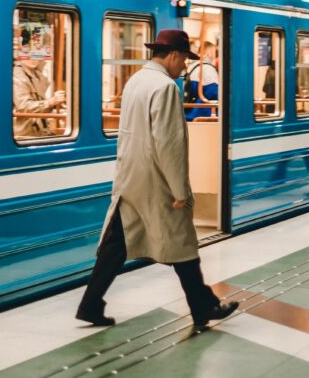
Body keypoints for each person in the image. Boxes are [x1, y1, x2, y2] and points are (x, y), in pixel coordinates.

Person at [76, 29, 238, 329]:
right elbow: (169, 143)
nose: (184, 68)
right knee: (183, 246)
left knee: (116, 244)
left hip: (131, 177)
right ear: (174, 55)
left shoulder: (135, 81)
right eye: (184, 61)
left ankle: (90, 304)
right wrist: (180, 190)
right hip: (157, 181)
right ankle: (203, 308)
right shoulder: (165, 88)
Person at [12, 57, 66, 138]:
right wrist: (51, 102)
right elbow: (23, 106)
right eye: (29, 55)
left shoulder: (37, 73)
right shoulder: (17, 75)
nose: (33, 58)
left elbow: (41, 105)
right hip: (24, 134)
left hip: (39, 131)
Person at [184, 41, 219, 121]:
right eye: (214, 52)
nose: (214, 56)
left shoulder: (192, 67)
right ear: (208, 53)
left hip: (190, 112)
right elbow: (214, 92)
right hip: (203, 114)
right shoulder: (208, 68)